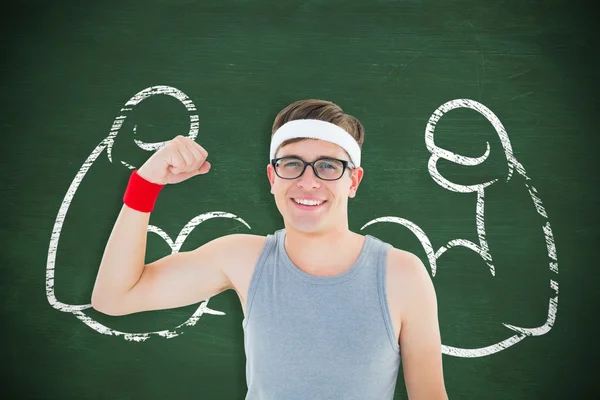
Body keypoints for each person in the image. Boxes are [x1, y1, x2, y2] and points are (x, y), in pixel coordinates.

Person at [91, 99, 448, 399]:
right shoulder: (243, 259)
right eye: (292, 164)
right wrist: (146, 183)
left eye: (328, 165)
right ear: (272, 177)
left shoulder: (401, 274)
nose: (308, 181)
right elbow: (114, 297)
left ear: (352, 180)